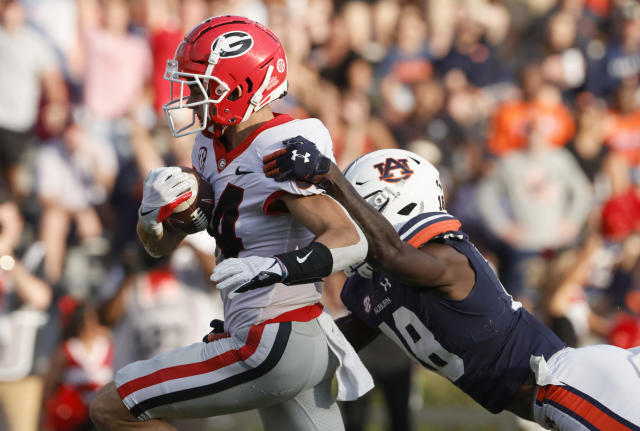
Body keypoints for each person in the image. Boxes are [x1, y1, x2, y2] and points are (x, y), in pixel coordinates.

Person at [89, 15, 372, 431]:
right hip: (280, 338)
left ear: (241, 88)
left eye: (201, 85)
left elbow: (350, 238)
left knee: (113, 407)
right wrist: (153, 219)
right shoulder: (209, 145)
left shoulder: (279, 144)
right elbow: (161, 247)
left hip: (274, 337)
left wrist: (277, 267)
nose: (188, 95)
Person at [261, 142, 640, 430]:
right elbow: (329, 347)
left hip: (568, 383)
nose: (348, 219)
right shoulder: (377, 286)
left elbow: (392, 254)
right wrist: (257, 339)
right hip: (551, 399)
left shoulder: (448, 257)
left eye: (357, 206)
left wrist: (331, 177)